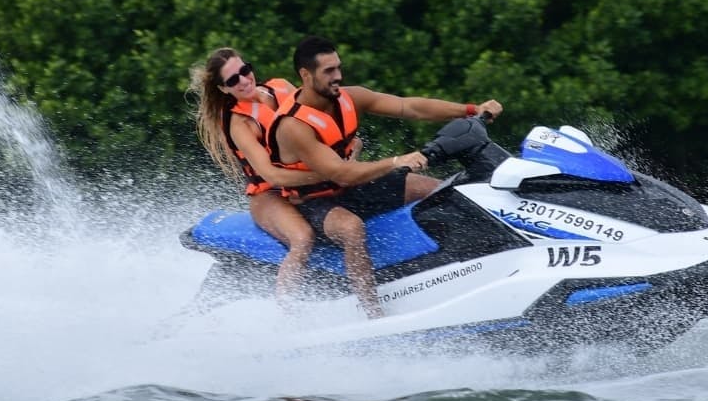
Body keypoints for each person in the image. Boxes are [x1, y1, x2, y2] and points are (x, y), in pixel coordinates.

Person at [268, 35, 503, 318]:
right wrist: (396, 161)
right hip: (312, 202)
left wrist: (470, 110)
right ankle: (373, 314)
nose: (338, 76)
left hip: (350, 188)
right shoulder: (293, 125)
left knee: (440, 190)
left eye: (338, 68)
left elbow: (410, 107)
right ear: (305, 75)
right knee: (352, 228)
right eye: (328, 71)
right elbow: (339, 172)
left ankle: (470, 267)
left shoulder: (349, 97)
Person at [192, 47, 411, 307]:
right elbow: (272, 174)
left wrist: (346, 156)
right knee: (302, 239)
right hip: (270, 194)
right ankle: (288, 319)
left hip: (314, 181)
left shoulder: (281, 88)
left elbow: (321, 129)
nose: (243, 79)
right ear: (223, 89)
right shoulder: (239, 124)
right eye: (232, 80)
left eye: (245, 70)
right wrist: (329, 172)